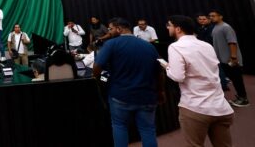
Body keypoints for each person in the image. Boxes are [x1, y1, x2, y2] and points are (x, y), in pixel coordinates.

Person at [164, 15, 234, 146]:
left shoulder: (175, 47)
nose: (167, 28)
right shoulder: (207, 45)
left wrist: (168, 67)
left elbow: (178, 76)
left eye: (169, 25)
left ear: (178, 29)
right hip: (220, 107)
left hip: (195, 108)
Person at [94, 17, 164, 147]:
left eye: (110, 29)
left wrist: (101, 80)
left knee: (120, 126)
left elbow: (97, 67)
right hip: (147, 97)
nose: (109, 32)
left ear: (119, 29)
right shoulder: (149, 46)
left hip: (120, 96)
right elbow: (159, 71)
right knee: (148, 130)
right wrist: (160, 91)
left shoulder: (111, 44)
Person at [209, 9, 249, 107]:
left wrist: (234, 57)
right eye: (210, 16)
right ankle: (240, 97)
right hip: (223, 60)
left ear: (220, 16)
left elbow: (232, 42)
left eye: (213, 16)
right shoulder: (215, 28)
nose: (211, 18)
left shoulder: (226, 27)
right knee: (234, 79)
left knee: (237, 79)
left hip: (231, 59)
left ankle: (244, 100)